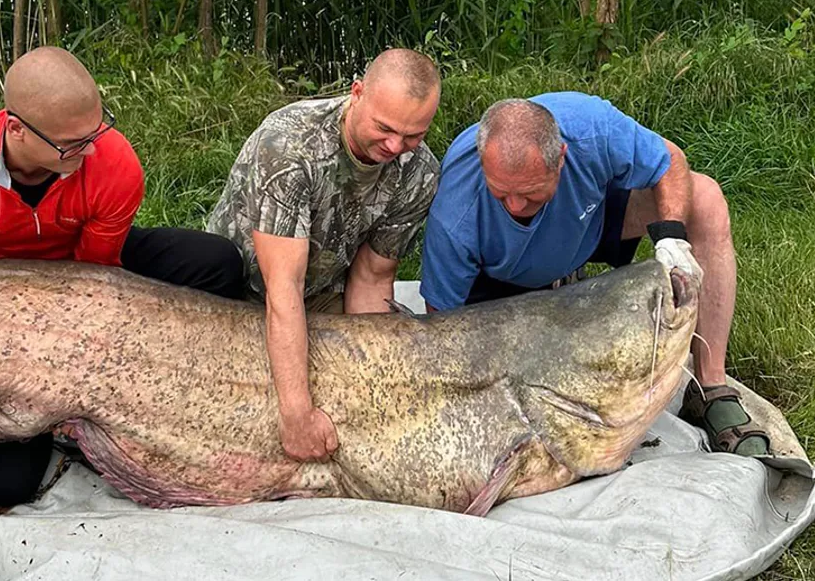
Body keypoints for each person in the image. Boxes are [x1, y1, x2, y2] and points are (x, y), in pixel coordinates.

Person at [0, 45, 245, 507]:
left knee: (218, 261)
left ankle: (175, 379)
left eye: (96, 132)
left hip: (84, 270)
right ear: (16, 130)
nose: (89, 151)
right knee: (3, 486)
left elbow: (94, 288)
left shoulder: (113, 162)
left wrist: (80, 375)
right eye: (71, 144)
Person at [418, 93, 769, 456]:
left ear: (561, 160)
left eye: (530, 194)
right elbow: (440, 324)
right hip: (498, 280)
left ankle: (710, 389)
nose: (516, 206)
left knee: (706, 197)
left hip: (585, 224)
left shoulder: (592, 130)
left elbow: (669, 161)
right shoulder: (455, 215)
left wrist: (671, 238)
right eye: (501, 194)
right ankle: (550, 289)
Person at [206, 48, 441, 463]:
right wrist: (297, 415)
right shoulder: (289, 146)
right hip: (241, 287)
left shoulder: (419, 172)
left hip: (324, 290)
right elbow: (283, 290)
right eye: (384, 128)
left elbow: (371, 279)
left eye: (413, 135)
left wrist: (371, 383)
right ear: (357, 94)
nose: (395, 145)